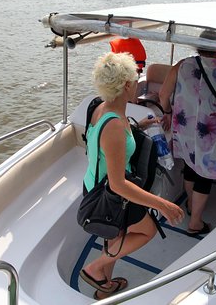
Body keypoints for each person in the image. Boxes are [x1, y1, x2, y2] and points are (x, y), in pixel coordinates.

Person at [79, 52, 184, 300]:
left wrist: (139, 127)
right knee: (146, 231)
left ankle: (104, 287)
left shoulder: (100, 106)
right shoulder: (115, 126)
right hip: (112, 195)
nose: (138, 82)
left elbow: (107, 137)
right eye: (135, 79)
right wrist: (163, 204)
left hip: (93, 184)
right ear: (127, 85)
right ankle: (94, 268)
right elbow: (118, 184)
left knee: (117, 236)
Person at [159, 29, 216, 234]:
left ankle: (189, 204)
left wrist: (168, 112)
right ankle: (195, 222)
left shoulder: (181, 65)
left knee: (189, 165)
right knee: (205, 173)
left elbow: (163, 95)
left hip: (184, 126)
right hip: (212, 129)